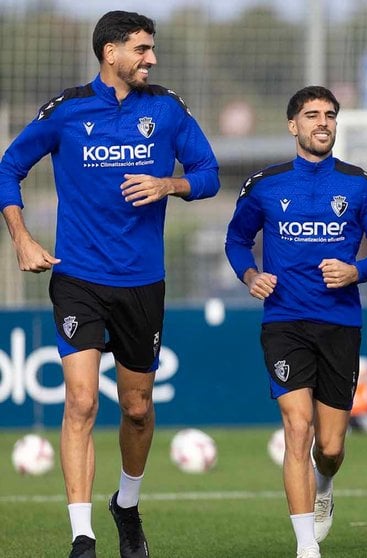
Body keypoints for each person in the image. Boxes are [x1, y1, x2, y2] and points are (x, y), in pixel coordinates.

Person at [0, 11, 219, 558]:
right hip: (77, 277)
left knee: (138, 408)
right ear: (110, 53)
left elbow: (210, 174)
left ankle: (125, 504)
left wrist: (170, 183)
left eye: (152, 49)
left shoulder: (166, 109)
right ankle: (82, 536)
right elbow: (8, 166)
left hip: (143, 281)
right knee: (79, 402)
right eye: (142, 49)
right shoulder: (68, 111)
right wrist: (22, 238)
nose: (152, 58)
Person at [225, 86, 367, 558]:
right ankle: (306, 546)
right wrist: (250, 274)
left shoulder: (358, 184)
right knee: (297, 428)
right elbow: (236, 240)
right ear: (293, 125)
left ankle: (324, 486)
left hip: (340, 324)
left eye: (329, 115)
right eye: (312, 116)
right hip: (285, 323)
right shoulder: (266, 184)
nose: (323, 123)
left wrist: (357, 271)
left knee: (329, 446)